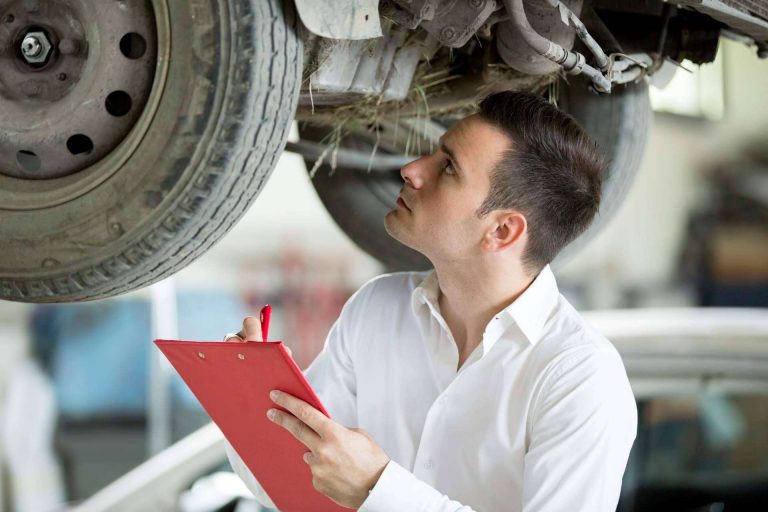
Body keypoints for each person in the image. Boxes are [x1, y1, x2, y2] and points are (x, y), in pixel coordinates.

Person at [224, 91, 637, 511]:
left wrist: (377, 490)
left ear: (502, 231)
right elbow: (293, 488)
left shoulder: (579, 378)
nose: (411, 169)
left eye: (448, 168)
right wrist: (252, 396)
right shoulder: (376, 309)